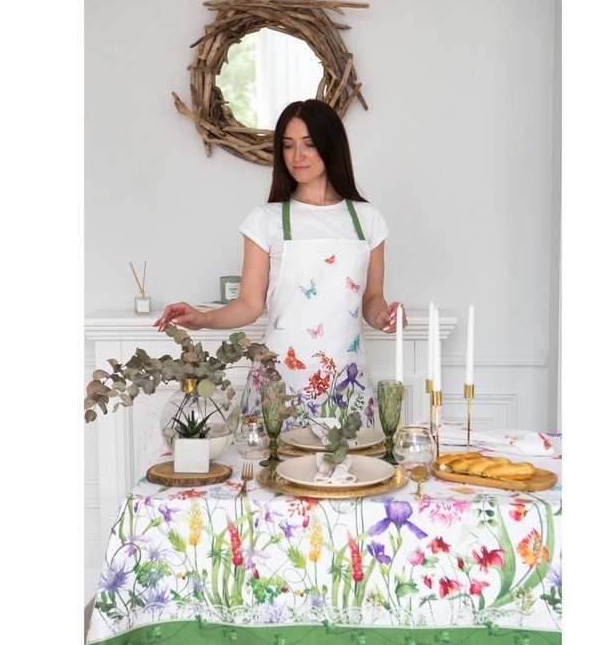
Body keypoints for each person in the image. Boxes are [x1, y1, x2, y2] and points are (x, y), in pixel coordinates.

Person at [154, 99, 406, 427]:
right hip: (279, 383)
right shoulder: (266, 219)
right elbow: (249, 304)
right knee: (273, 460)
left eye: (309, 144)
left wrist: (385, 317)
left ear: (331, 145)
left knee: (353, 460)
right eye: (288, 145)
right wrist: (202, 319)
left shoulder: (367, 219)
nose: (297, 156)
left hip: (346, 382)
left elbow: (372, 299)